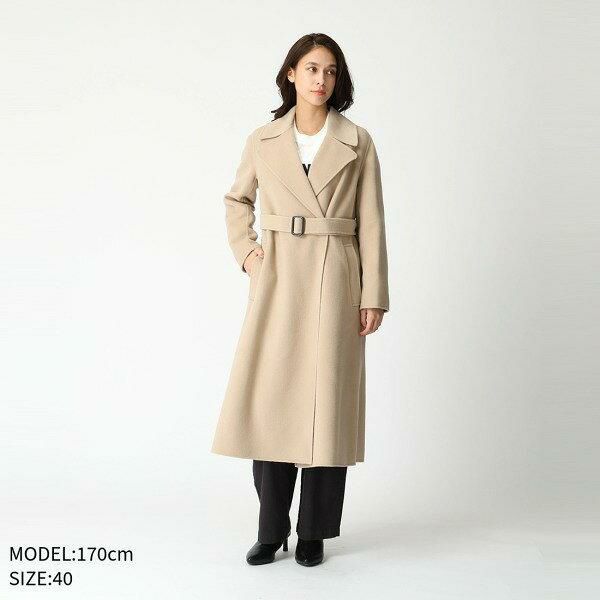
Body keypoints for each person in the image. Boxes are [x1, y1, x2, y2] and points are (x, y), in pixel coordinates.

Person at [211, 33, 390, 567]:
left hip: (337, 279)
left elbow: (373, 222)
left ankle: (314, 533)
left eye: (330, 71)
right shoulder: (263, 139)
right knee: (272, 403)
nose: (321, 80)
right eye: (311, 68)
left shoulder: (357, 141)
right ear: (291, 73)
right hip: (280, 277)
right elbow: (237, 200)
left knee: (327, 407)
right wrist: (249, 255)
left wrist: (374, 293)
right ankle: (271, 530)